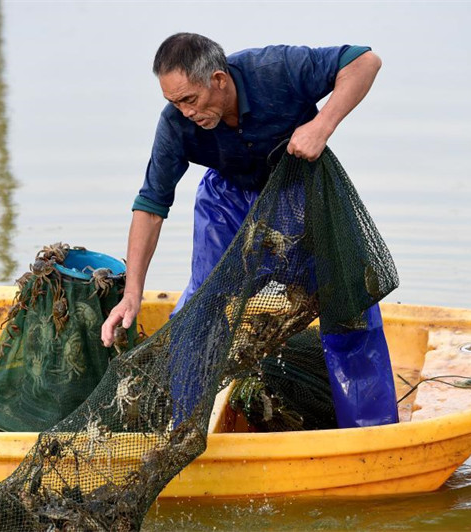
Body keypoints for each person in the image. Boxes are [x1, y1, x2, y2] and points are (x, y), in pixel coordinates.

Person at [102, 33, 398, 428]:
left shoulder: (276, 70)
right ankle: (182, 425)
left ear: (219, 80)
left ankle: (371, 427)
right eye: (174, 102)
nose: (185, 112)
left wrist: (321, 125)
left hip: (299, 190)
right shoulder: (175, 123)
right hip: (226, 198)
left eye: (190, 99)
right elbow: (151, 207)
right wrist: (132, 293)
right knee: (202, 308)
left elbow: (365, 61)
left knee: (348, 301)